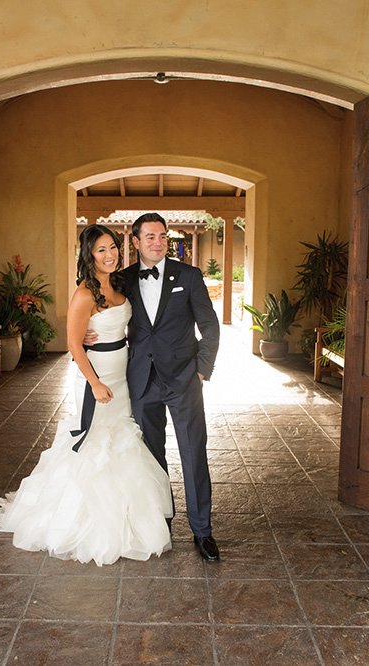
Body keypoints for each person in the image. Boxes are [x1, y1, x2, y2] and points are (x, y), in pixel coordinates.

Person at [0, 225, 172, 566]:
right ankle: (89, 523)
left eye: (113, 248)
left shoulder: (120, 283)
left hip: (122, 371)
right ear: (89, 255)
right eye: (102, 250)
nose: (110, 255)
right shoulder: (84, 294)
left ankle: (129, 516)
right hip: (99, 376)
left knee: (122, 438)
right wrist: (95, 383)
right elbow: (75, 344)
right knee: (96, 442)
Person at [91, 212, 221, 561]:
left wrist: (202, 371)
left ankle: (202, 531)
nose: (158, 242)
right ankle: (159, 522)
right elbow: (97, 306)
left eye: (162, 236)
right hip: (141, 381)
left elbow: (210, 327)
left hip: (183, 380)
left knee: (193, 453)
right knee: (150, 456)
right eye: (149, 237)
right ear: (135, 242)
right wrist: (89, 333)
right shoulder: (123, 280)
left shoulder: (189, 277)